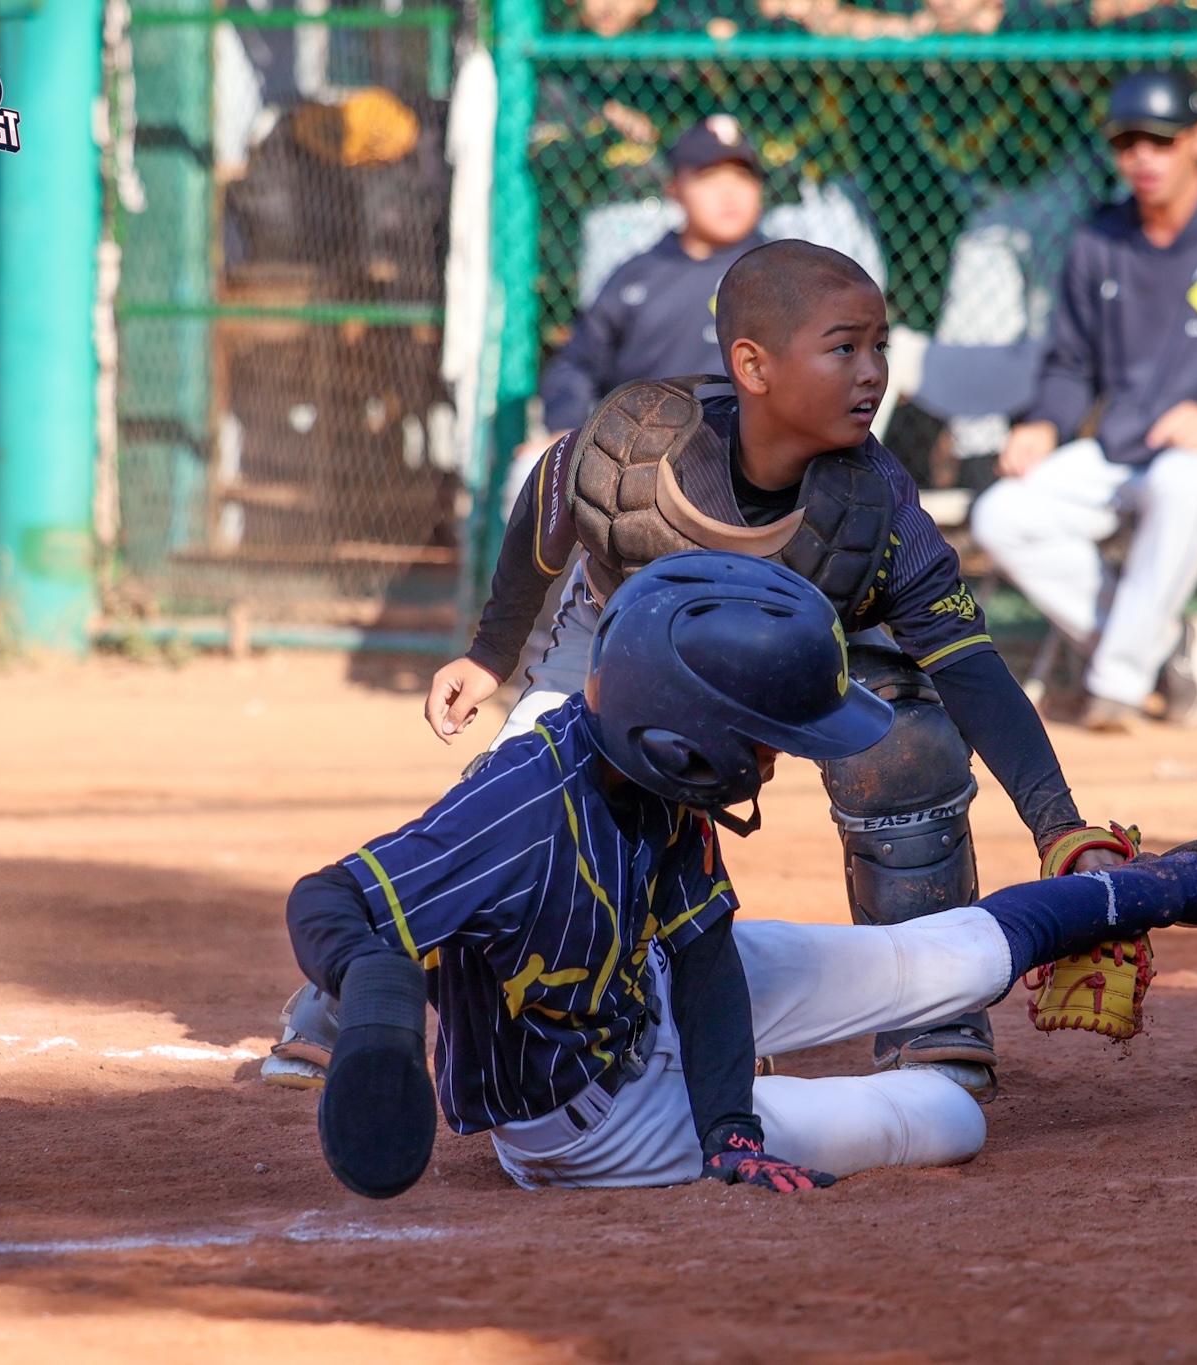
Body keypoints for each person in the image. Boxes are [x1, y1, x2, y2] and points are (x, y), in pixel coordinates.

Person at [265, 240, 1127, 1100]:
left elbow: (968, 665)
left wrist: (1060, 827)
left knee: (908, 742)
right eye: (843, 348)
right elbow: (548, 501)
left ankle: (935, 1022)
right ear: (751, 364)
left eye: (880, 347)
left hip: (804, 638)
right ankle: (346, 992)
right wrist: (492, 653)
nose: (873, 373)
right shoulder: (639, 450)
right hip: (624, 636)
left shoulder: (875, 507)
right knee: (524, 792)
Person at [291, 551, 1197, 1198]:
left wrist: (728, 1118)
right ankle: (758, 1111)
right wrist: (383, 1016)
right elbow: (333, 899)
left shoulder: (653, 775)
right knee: (946, 1118)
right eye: (768, 738)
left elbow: (699, 959)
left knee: (933, 959)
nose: (780, 758)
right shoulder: (526, 807)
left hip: (637, 991)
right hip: (585, 1122)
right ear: (685, 739)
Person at [968, 69, 1197, 732]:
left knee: (1177, 483)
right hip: (1126, 452)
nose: (1142, 158)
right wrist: (1046, 423)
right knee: (1002, 512)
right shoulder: (1100, 240)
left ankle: (1118, 683)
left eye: (1161, 141)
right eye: (1127, 142)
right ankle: (1169, 648)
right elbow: (1070, 365)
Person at [536, 114, 768, 438]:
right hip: (638, 457)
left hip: (757, 457)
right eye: (709, 176)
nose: (729, 193)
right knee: (533, 472)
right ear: (674, 187)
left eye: (742, 176)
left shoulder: (786, 272)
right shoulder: (636, 277)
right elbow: (576, 366)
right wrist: (564, 428)